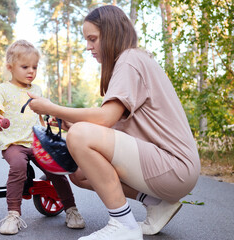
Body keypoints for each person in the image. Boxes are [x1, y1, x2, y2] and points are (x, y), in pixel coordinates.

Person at [27, 5, 200, 240]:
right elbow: (112, 125)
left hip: (173, 166)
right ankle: (157, 204)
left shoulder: (129, 59)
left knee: (80, 136)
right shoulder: (132, 61)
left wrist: (51, 107)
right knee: (79, 173)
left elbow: (105, 117)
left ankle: (123, 224)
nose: (88, 47)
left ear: (111, 33)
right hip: (166, 167)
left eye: (93, 39)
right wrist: (67, 122)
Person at [0, 40, 85, 235]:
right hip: (14, 143)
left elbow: (43, 115)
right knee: (18, 166)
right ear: (10, 68)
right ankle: (13, 214)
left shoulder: (36, 90)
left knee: (55, 170)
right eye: (25, 66)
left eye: (35, 67)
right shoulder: (3, 89)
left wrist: (53, 120)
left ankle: (71, 209)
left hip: (37, 142)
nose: (31, 71)